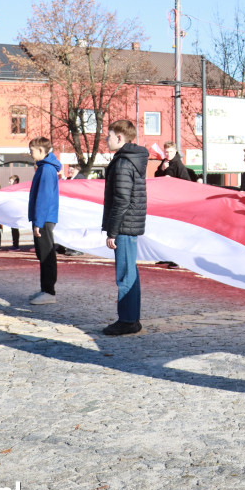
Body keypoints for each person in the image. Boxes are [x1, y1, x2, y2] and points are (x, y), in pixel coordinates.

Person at [101, 120, 149, 335]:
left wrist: (113, 231)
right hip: (129, 224)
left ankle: (128, 321)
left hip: (124, 227)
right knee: (130, 273)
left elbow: (122, 200)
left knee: (125, 274)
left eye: (108, 135)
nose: (106, 139)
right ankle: (131, 319)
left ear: (119, 137)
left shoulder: (123, 163)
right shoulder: (130, 160)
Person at [27, 137, 61, 304]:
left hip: (44, 219)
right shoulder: (44, 168)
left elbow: (44, 198)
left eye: (32, 150)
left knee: (47, 254)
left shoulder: (46, 169)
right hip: (44, 218)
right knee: (43, 254)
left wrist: (38, 222)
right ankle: (45, 289)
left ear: (41, 150)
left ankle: (49, 292)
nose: (30, 154)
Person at [8, 175, 21, 249]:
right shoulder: (11, 189)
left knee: (15, 227)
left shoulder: (17, 190)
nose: (9, 182)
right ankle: (15, 244)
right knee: (13, 227)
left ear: (15, 181)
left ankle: (16, 245)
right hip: (13, 210)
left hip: (17, 211)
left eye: (10, 181)